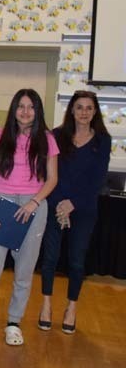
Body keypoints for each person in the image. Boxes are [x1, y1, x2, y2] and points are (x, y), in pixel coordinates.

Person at [0, 89, 58, 347]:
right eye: (20, 106)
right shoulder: (0, 136)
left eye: (31, 107)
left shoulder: (47, 139)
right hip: (1, 206)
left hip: (33, 208)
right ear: (13, 109)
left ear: (37, 111)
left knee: (24, 271)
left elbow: (52, 179)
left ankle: (14, 323)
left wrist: (33, 203)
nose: (25, 112)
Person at [39, 91, 111, 334]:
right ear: (71, 110)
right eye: (79, 107)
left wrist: (73, 204)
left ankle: (71, 307)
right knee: (49, 258)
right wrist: (60, 203)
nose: (83, 112)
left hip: (84, 209)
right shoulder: (57, 136)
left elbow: (98, 179)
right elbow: (49, 172)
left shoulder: (102, 140)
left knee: (77, 261)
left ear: (95, 112)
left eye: (89, 108)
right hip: (55, 205)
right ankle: (46, 304)